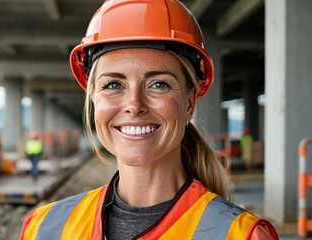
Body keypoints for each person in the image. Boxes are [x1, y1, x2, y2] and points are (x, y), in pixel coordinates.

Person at [19, 0, 279, 239]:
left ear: (189, 103)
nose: (134, 105)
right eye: (112, 85)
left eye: (158, 84)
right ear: (94, 98)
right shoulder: (43, 228)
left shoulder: (239, 235)